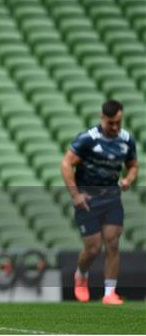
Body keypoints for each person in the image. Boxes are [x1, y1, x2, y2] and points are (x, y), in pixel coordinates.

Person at [60, 99, 138, 305]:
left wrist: (129, 178)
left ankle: (109, 293)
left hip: (111, 198)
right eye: (110, 123)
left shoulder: (126, 140)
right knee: (93, 248)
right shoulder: (88, 139)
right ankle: (81, 275)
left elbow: (133, 165)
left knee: (112, 242)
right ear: (102, 118)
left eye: (118, 123)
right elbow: (66, 164)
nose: (114, 127)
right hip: (87, 200)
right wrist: (75, 195)